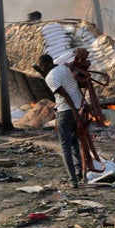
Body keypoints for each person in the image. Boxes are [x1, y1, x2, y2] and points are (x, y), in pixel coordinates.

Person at [37, 54, 84, 189]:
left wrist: (75, 114)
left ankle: (73, 180)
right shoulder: (65, 69)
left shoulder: (50, 77)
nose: (42, 68)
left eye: (42, 66)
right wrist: (78, 112)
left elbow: (64, 94)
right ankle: (79, 173)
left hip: (65, 112)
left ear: (45, 64)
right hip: (77, 108)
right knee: (75, 143)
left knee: (65, 148)